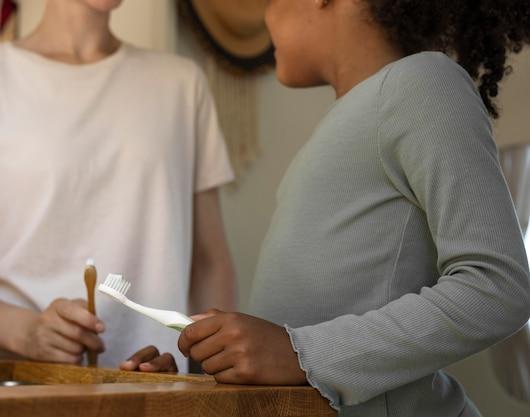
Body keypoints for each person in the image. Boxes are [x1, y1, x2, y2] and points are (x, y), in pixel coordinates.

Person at [128, 0, 530, 415]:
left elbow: (498, 285)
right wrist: (202, 374)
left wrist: (302, 353)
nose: (266, 17)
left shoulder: (423, 83)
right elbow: (301, 356)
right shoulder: (351, 120)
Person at [0, 0, 236, 370]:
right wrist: (27, 332)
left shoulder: (181, 83)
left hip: (158, 386)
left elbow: (210, 263)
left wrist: (206, 377)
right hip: (18, 383)